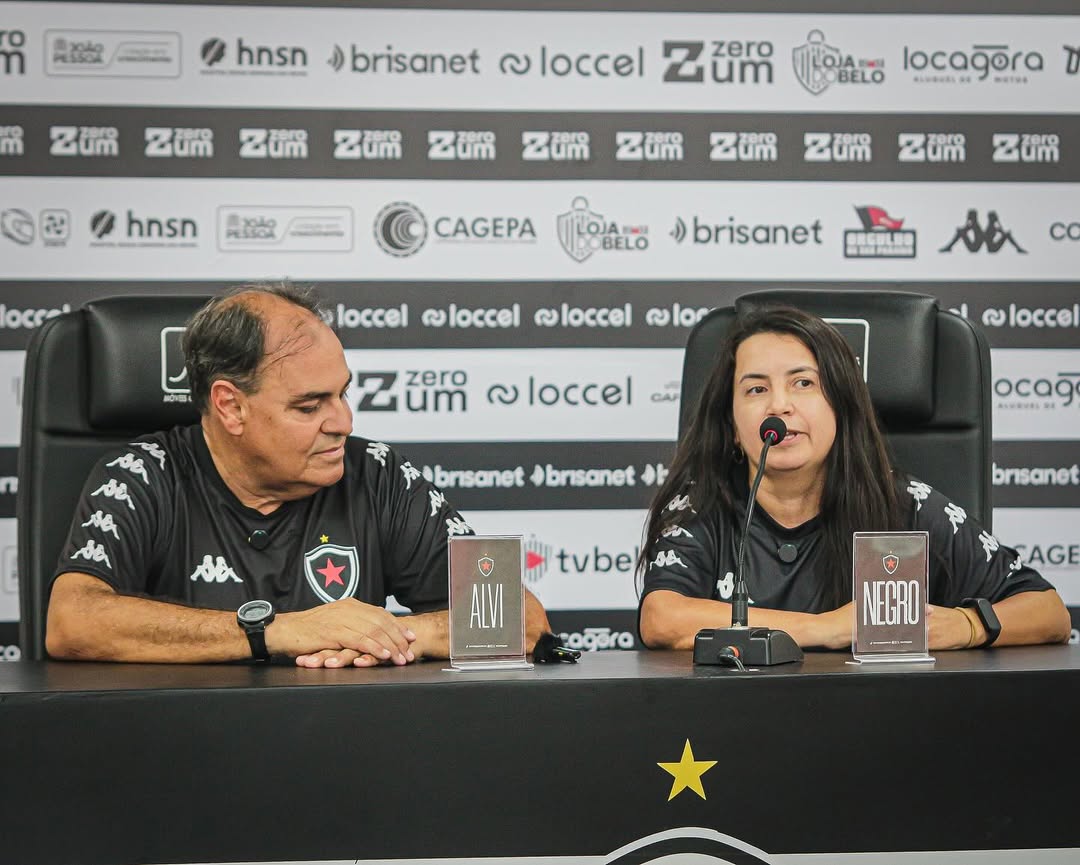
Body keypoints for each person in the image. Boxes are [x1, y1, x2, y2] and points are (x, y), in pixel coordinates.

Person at [47, 282, 551, 666]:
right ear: (231, 407)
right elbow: (71, 622)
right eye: (310, 406)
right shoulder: (141, 474)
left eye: (343, 394)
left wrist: (386, 638)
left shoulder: (379, 474)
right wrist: (273, 630)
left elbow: (524, 620)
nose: (343, 423)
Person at [637, 305, 1070, 651]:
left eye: (804, 383)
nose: (780, 405)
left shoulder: (905, 504)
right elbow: (662, 620)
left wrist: (967, 625)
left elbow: (1049, 612)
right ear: (732, 425)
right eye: (756, 389)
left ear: (842, 407)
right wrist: (826, 628)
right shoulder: (702, 504)